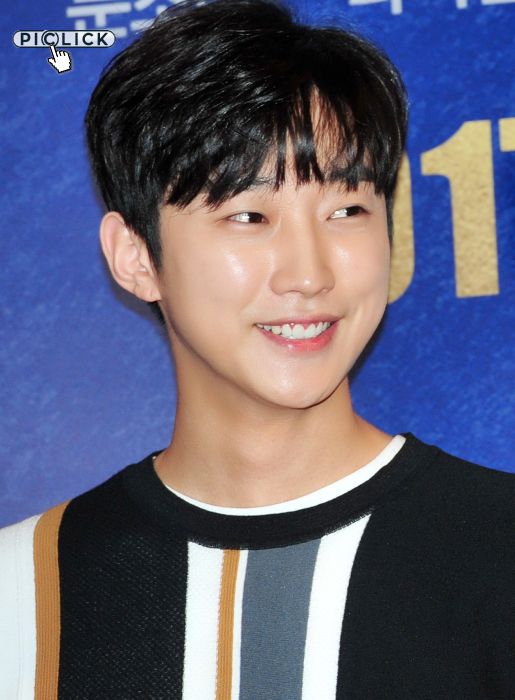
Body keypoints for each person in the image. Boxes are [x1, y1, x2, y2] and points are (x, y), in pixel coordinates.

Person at [1, 0, 514, 697]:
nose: (309, 273)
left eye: (347, 211)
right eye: (249, 215)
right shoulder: (24, 590)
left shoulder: (498, 548)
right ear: (135, 257)